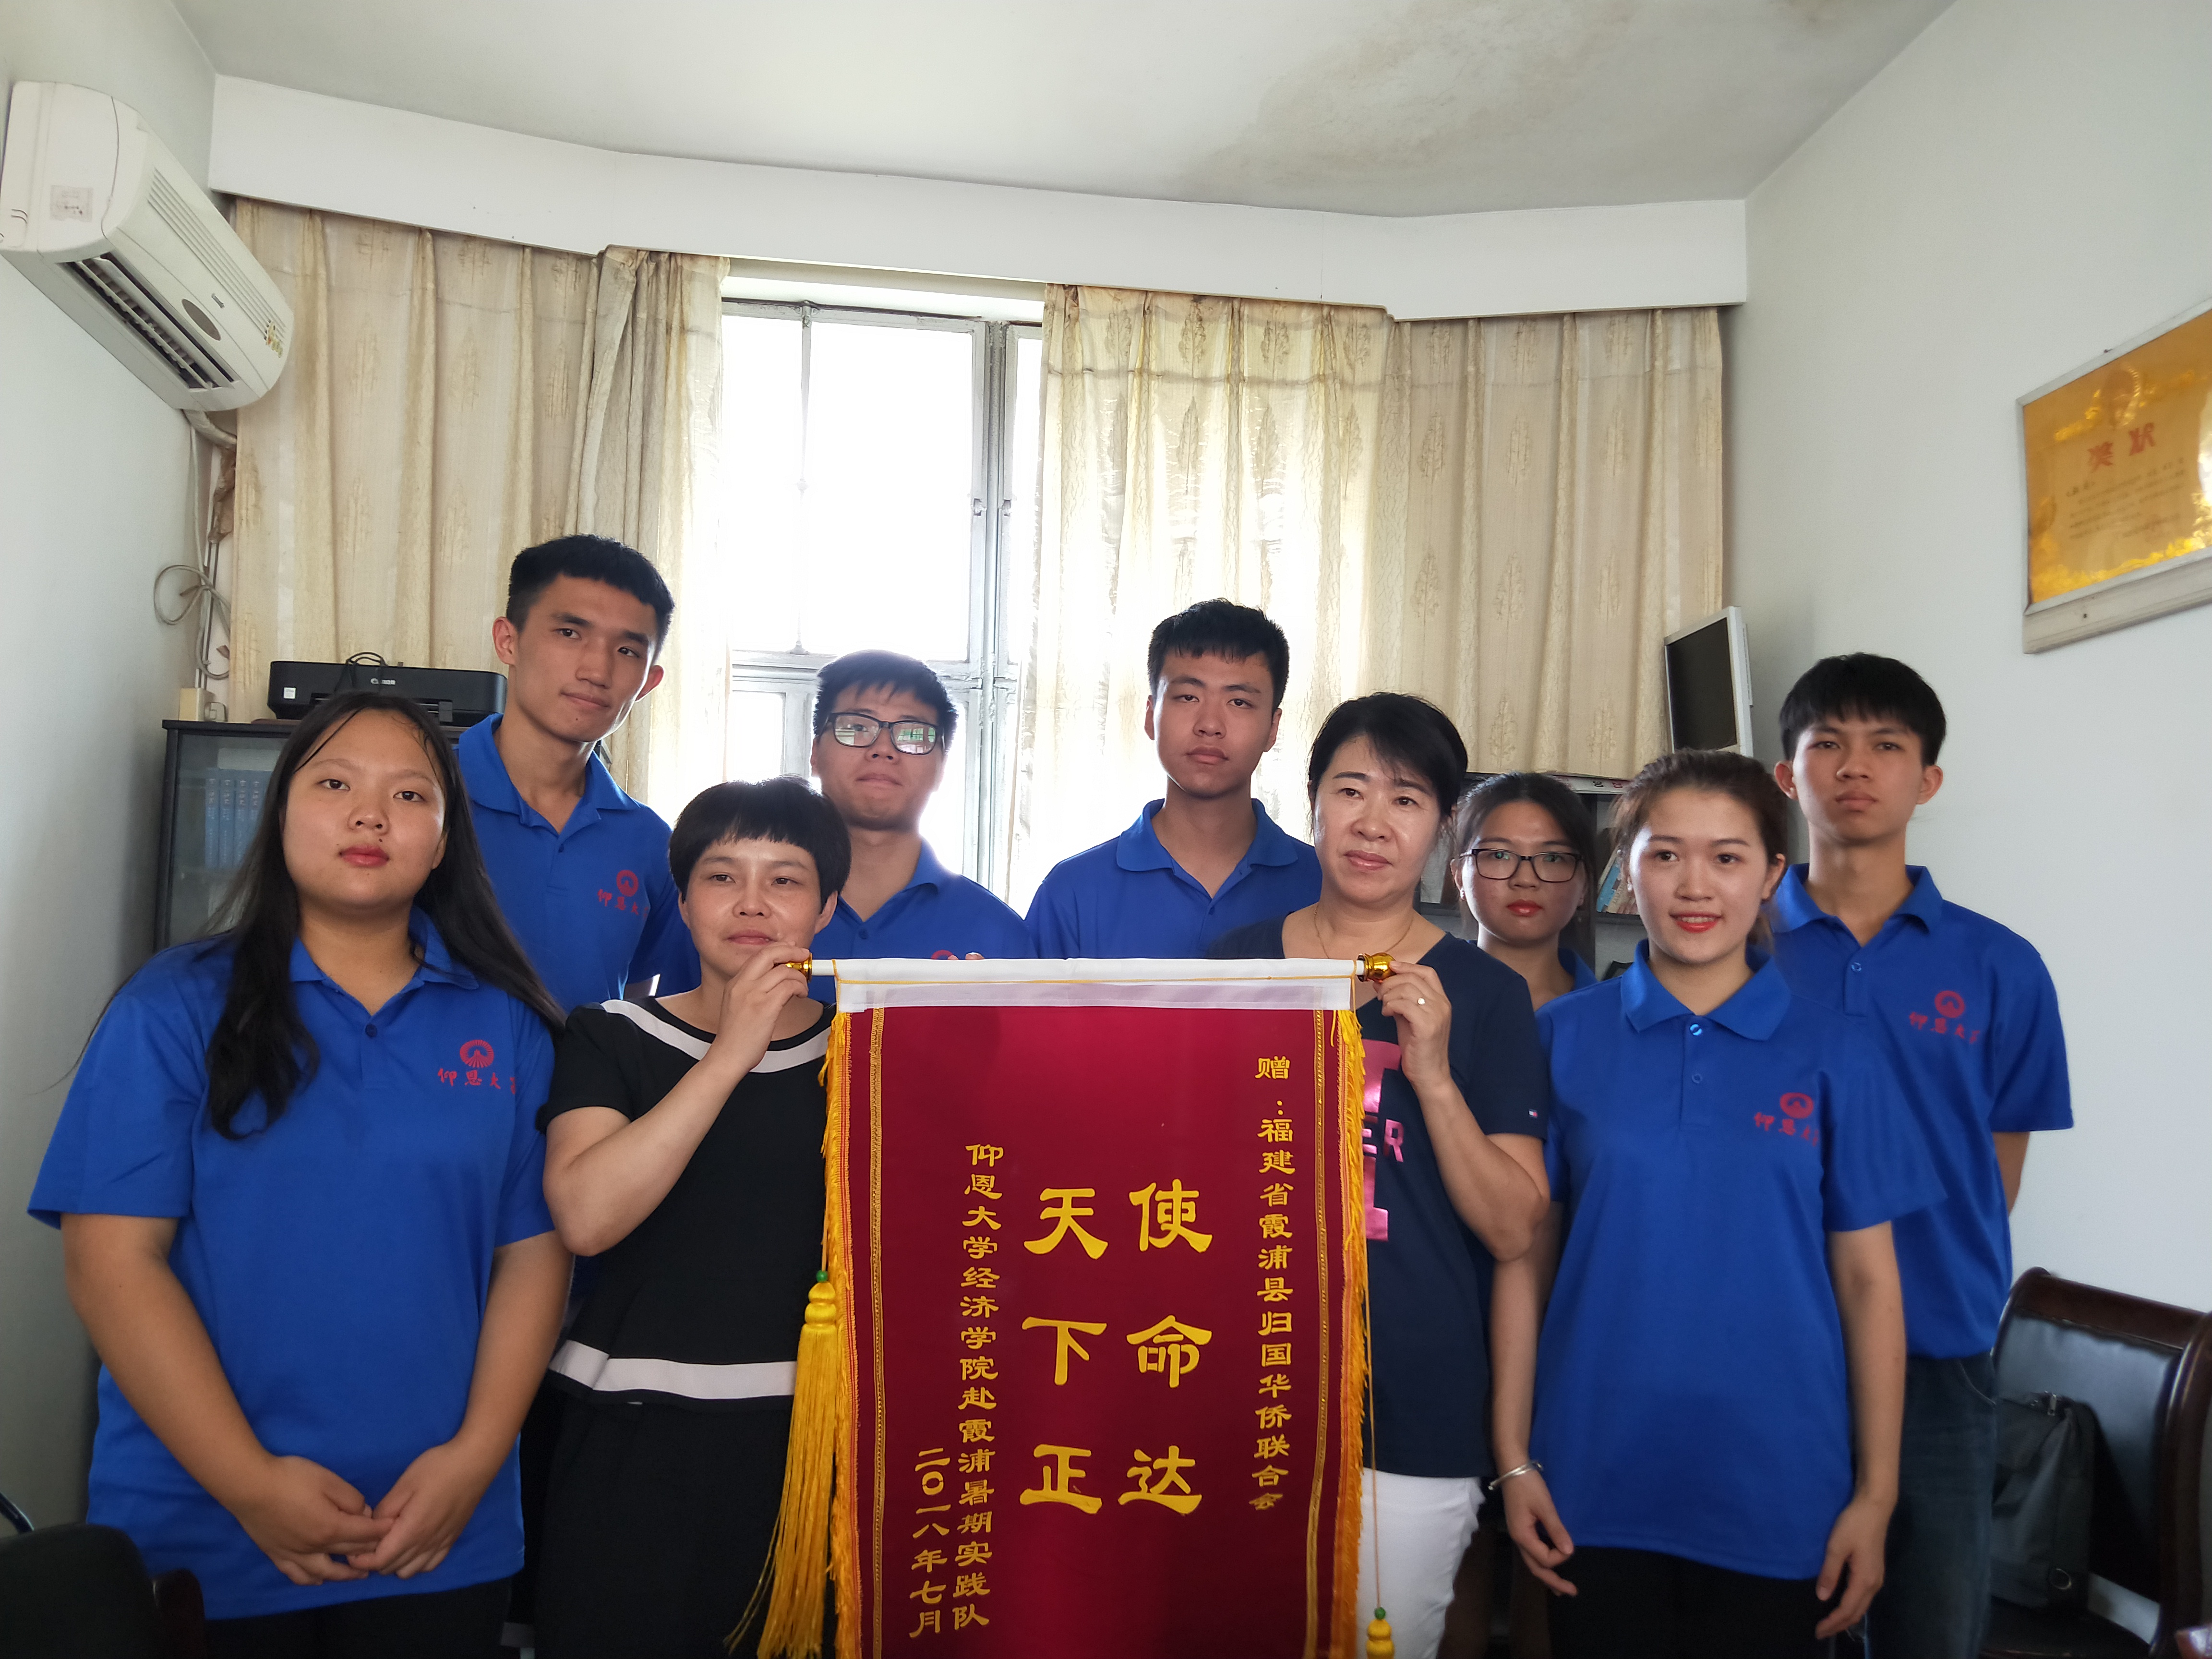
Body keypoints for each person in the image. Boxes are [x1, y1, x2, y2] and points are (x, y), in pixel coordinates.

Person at [30, 692, 571, 1656]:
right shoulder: (171, 1009)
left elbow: (532, 1257)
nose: (371, 815)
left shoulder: (510, 1025)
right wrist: (249, 1484)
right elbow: (110, 1266)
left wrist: (474, 1461)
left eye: (409, 795)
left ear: (444, 841)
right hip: (207, 1529)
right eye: (334, 785)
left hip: (441, 1527)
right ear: (279, 815)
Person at [1492, 749, 1940, 1659]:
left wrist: (1876, 1492)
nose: (1694, 886)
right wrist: (1513, 1457)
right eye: (1664, 855)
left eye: (1727, 857)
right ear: (1627, 872)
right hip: (1592, 1478)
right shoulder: (1561, 1036)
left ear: (1772, 875)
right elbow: (1525, 1259)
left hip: (1780, 1486)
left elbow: (1869, 1284)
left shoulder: (1840, 1051)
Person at [1207, 693, 1553, 1659]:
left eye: (1405, 800)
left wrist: (1432, 1074)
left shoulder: (1486, 996)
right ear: (1311, 802)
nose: (1372, 821)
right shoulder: (1235, 969)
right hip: (1237, 1374)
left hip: (1411, 1396)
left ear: (1441, 831)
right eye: (1350, 789)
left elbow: (1513, 1227)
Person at [1768, 655, 2072, 1659]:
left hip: (1942, 1349)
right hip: (1773, 1341)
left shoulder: (2002, 966)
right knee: (1778, 1621)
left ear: (1927, 779)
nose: (1854, 767)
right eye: (1827, 744)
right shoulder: (1738, 945)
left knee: (1931, 1628)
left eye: (1886, 746)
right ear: (1787, 775)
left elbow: (1996, 1173)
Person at [532, 779, 848, 1659]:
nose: (752, 903)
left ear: (826, 907)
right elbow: (586, 1218)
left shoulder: (866, 1052)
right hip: (632, 1437)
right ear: (681, 901)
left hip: (811, 1443)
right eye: (722, 876)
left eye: (785, 880)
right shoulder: (608, 1036)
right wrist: (732, 1051)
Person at [461, 534, 699, 1014]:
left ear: (649, 681)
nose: (597, 670)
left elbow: (638, 1007)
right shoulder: (420, 799)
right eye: (569, 633)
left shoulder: (653, 845)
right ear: (508, 641)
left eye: (628, 651)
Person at [1027, 599, 1320, 956]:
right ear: (1150, 715)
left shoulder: (1325, 885)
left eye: (1239, 702)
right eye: (1188, 697)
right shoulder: (1072, 893)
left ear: (1273, 728)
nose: (1210, 725)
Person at [806, 649, 1030, 977]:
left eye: (913, 734)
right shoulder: (751, 915)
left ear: (942, 768)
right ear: (815, 753)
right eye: (856, 727)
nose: (883, 749)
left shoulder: (999, 934)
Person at [1454, 772, 1603, 1010]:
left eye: (1553, 858)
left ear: (1585, 884)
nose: (1525, 880)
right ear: (1459, 876)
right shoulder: (1419, 998)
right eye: (1499, 855)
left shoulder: (1612, 1016)